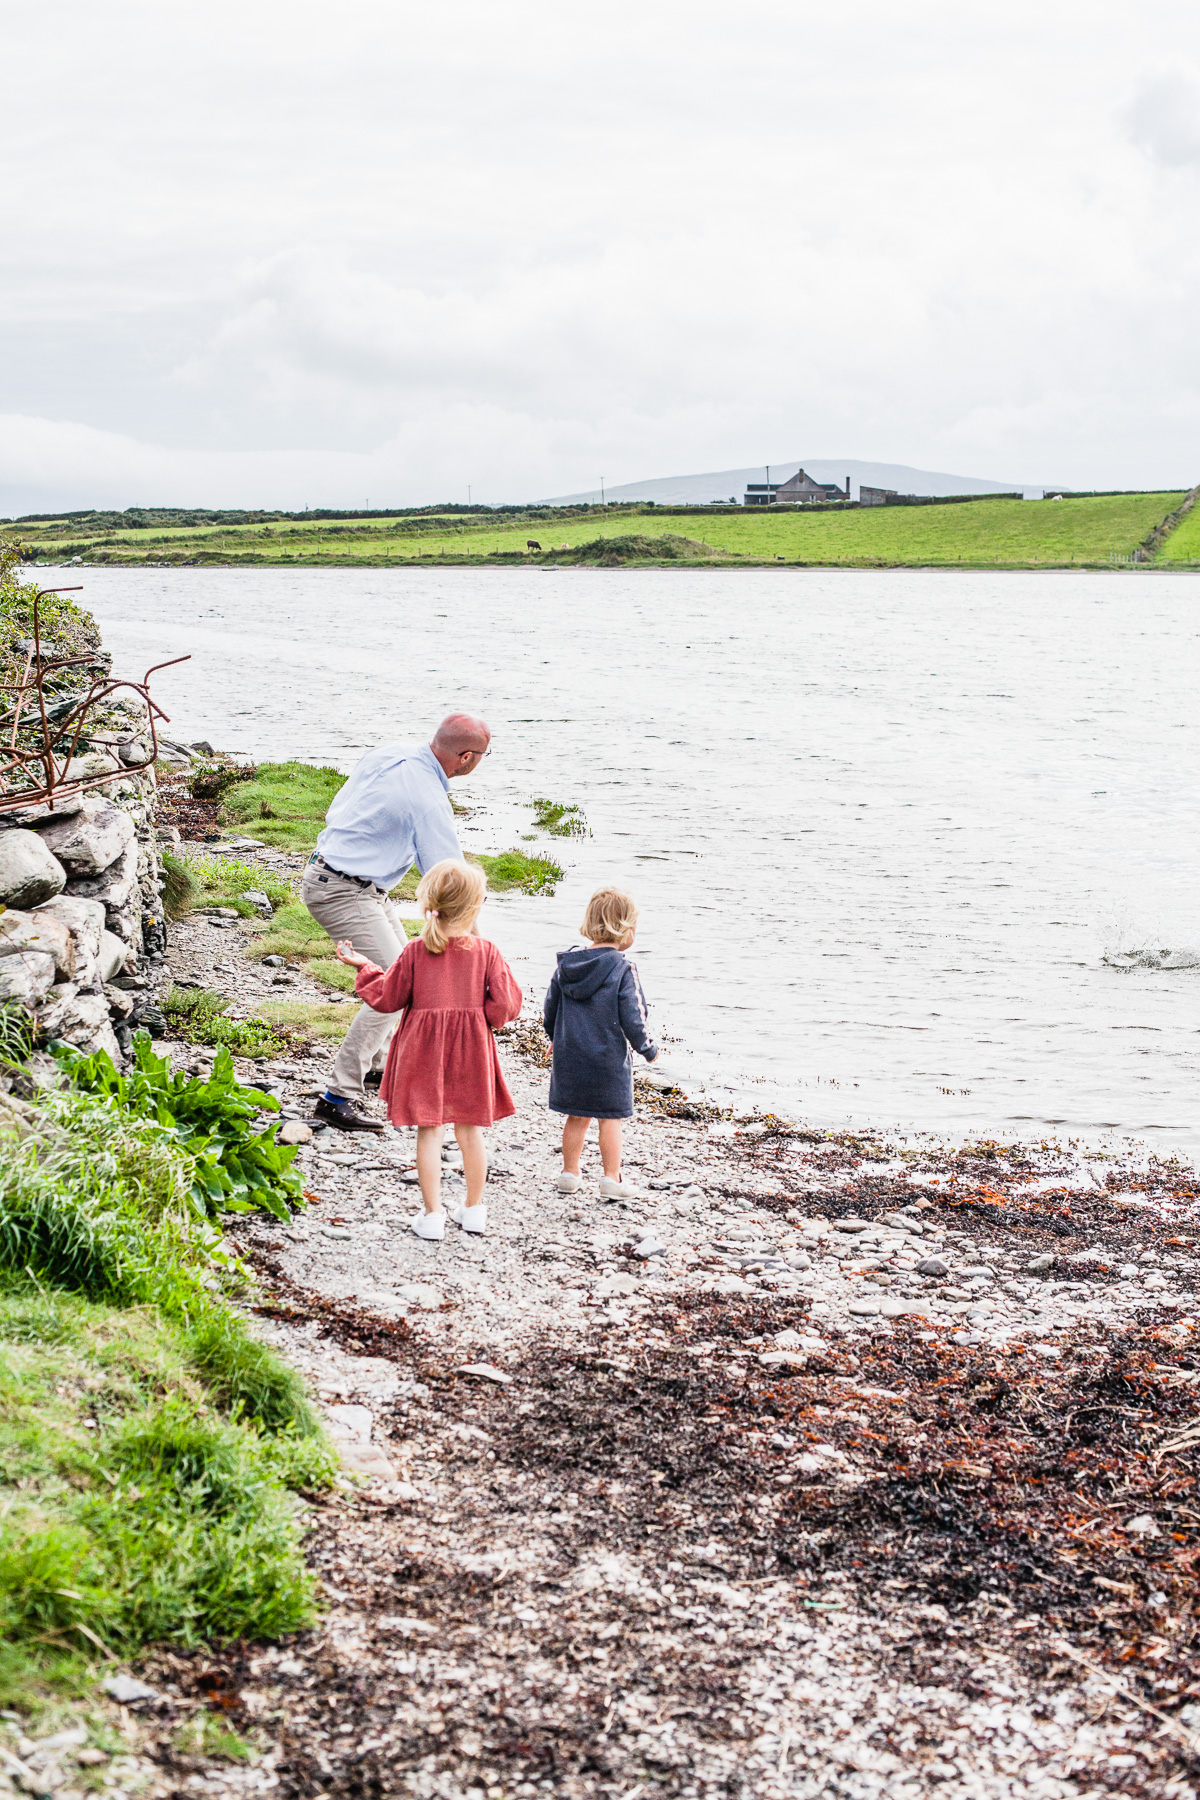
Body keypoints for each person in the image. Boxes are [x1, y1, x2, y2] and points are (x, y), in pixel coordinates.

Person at [301, 713, 491, 1131]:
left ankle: (379, 1066)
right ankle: (337, 1096)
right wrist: (475, 943)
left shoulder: (392, 752)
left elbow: (343, 806)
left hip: (349, 879)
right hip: (342, 889)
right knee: (396, 986)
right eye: (483, 755)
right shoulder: (428, 799)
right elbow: (450, 880)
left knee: (407, 971)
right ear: (465, 757)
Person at [334, 859, 522, 1239]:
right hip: (472, 1051)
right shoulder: (486, 952)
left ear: (430, 903)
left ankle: (433, 1215)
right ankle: (474, 1210)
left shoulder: (416, 951)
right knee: (471, 1131)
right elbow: (504, 1007)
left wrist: (365, 967)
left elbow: (388, 998)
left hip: (422, 1052)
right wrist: (481, 1017)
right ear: (474, 906)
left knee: (429, 1132)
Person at [542, 884, 658, 1201]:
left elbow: (550, 1007)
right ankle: (610, 1178)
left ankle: (569, 1173)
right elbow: (634, 1016)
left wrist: (553, 1037)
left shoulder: (567, 966)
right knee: (610, 1119)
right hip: (608, 1060)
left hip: (571, 1057)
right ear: (624, 931)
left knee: (576, 1116)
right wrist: (648, 1048)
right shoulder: (622, 968)